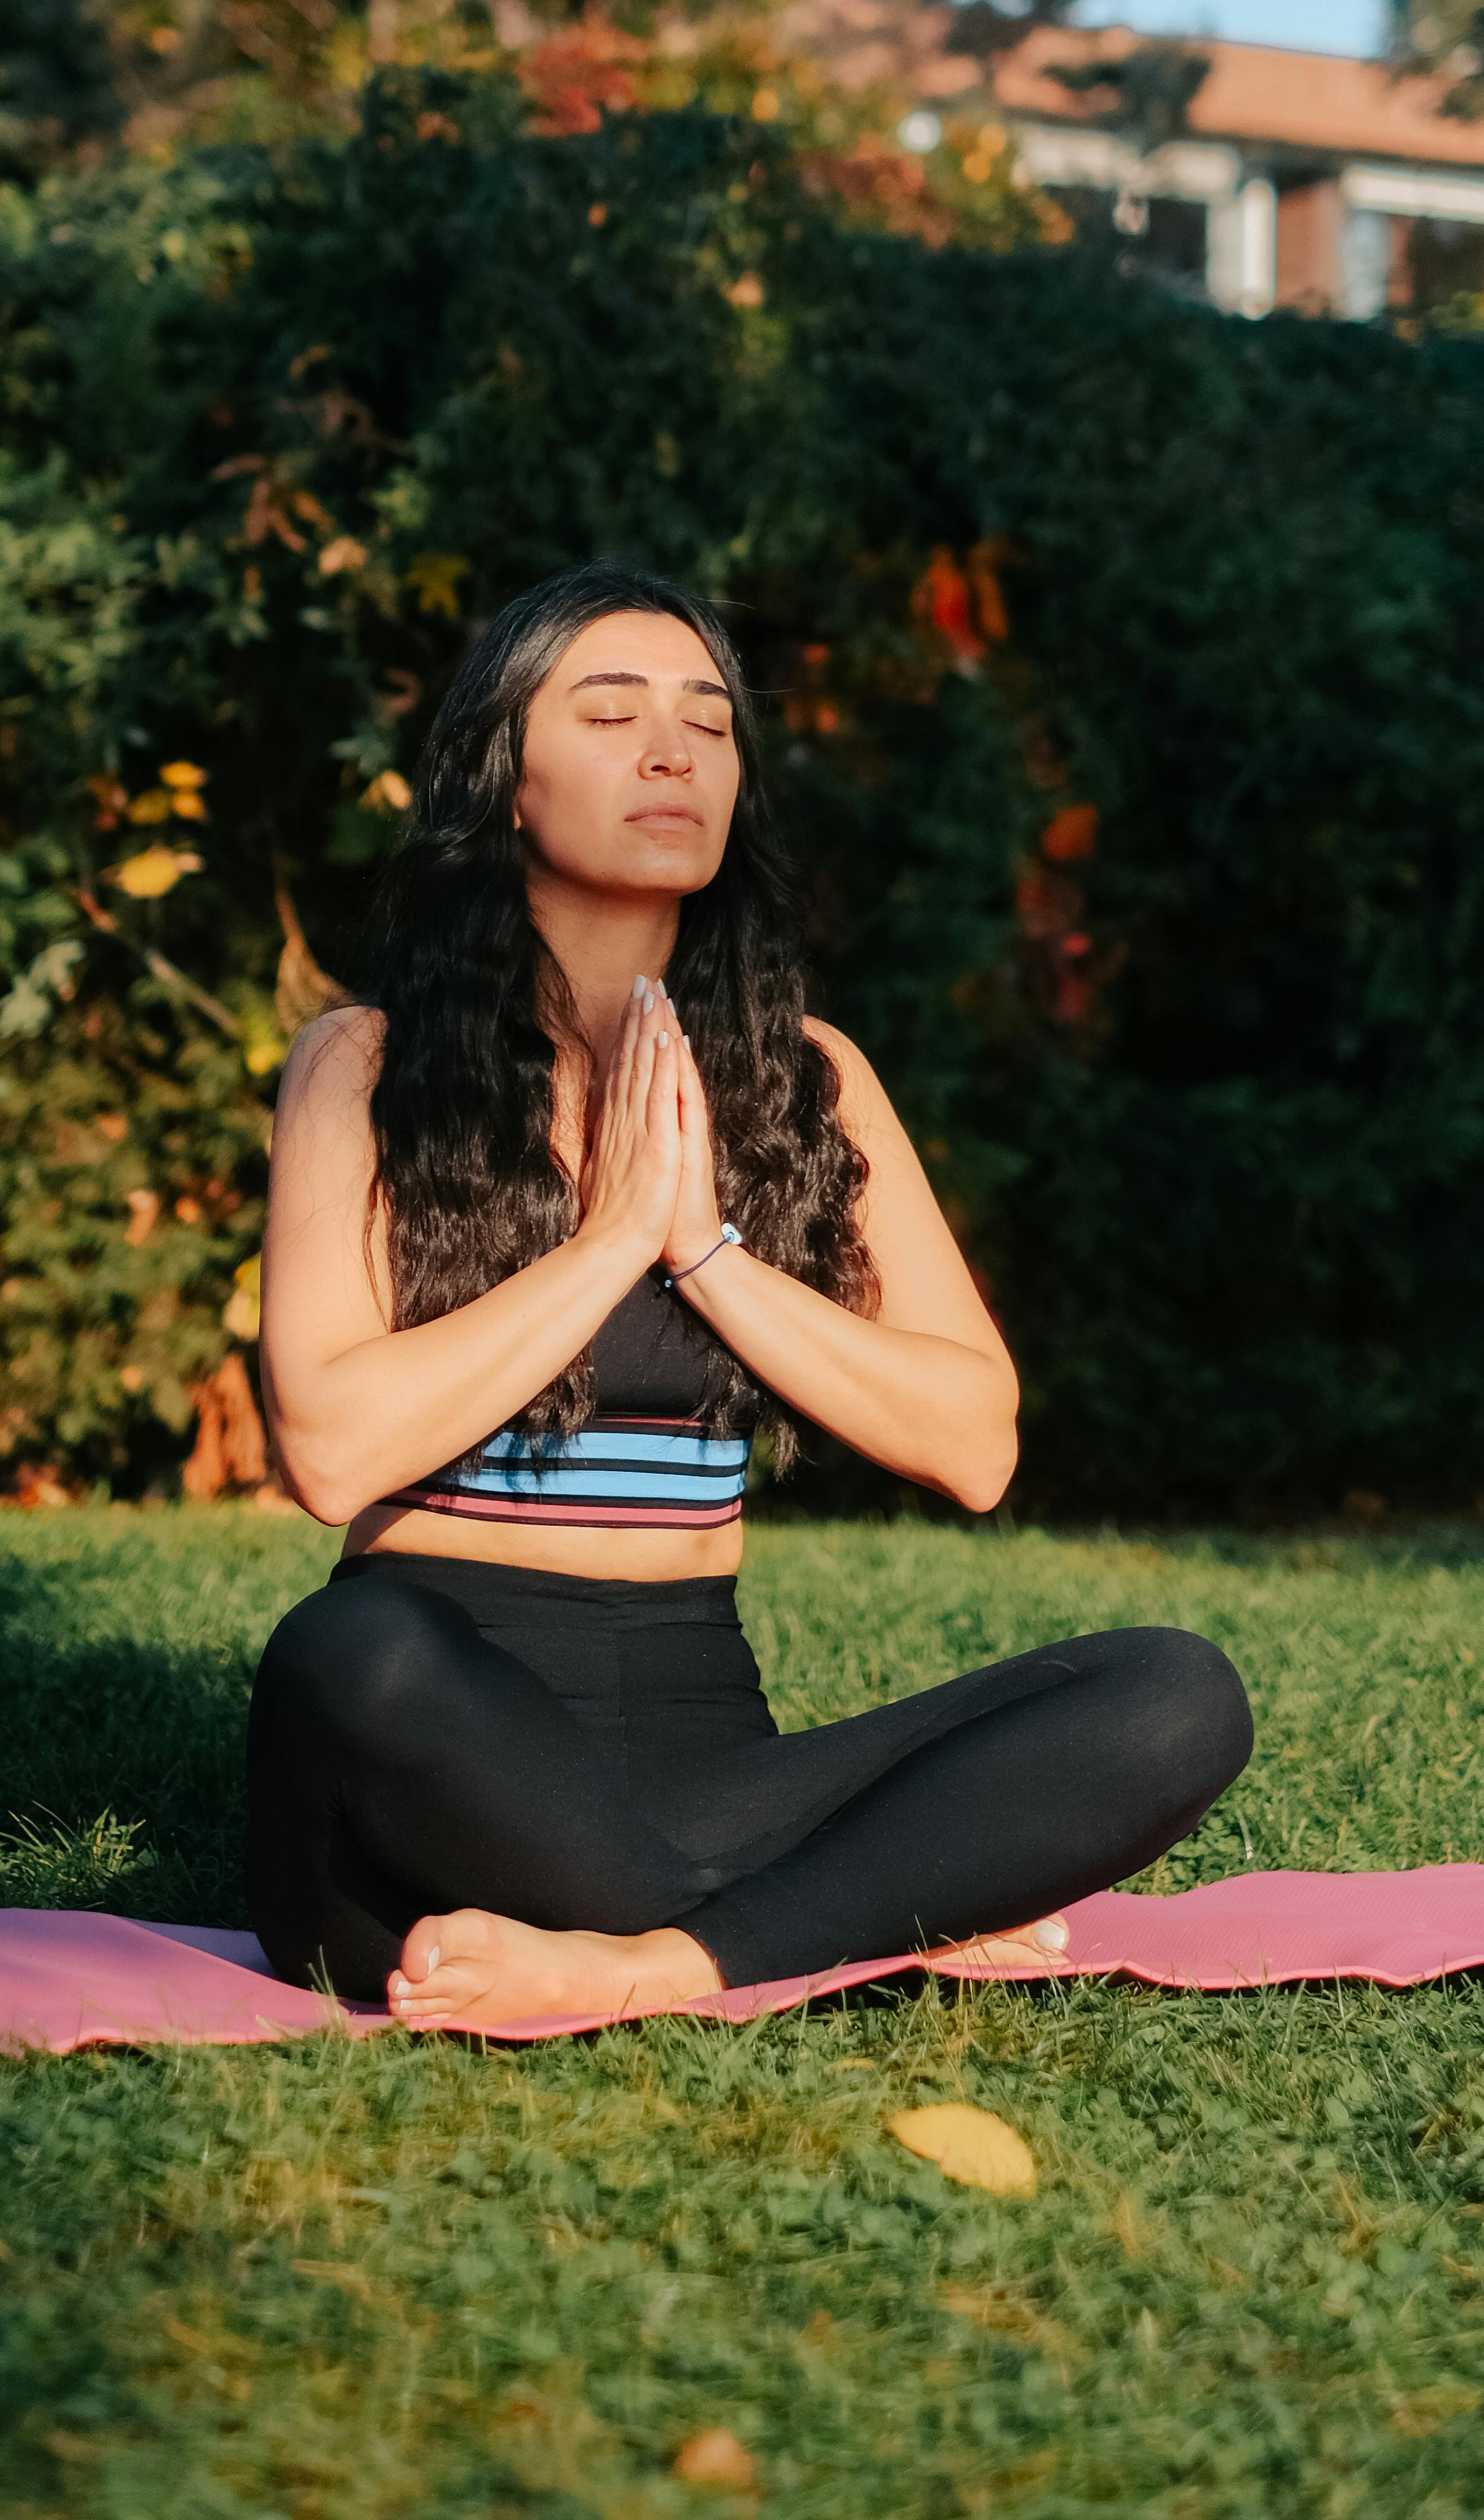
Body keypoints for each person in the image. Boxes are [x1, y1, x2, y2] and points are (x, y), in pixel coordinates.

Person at [248, 563, 1251, 2031]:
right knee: (348, 1652)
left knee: (1173, 1691)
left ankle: (658, 1962)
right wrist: (608, 1241)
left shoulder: (811, 1079)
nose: (673, 753)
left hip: (713, 1769)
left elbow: (975, 1446)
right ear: (503, 784)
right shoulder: (367, 1066)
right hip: (433, 1767)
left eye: (710, 725)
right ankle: (847, 1916)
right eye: (610, 715)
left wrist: (709, 1252)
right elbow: (330, 1454)